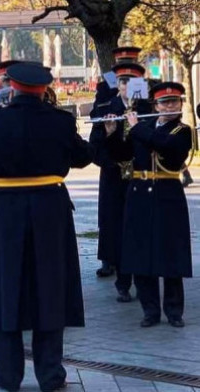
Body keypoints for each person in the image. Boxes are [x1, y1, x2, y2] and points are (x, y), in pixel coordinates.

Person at [0, 62, 93, 391]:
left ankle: (7, 375)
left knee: (4, 289)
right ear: (44, 89)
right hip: (50, 208)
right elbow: (84, 157)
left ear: (10, 87)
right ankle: (50, 375)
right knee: (50, 289)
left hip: (3, 209)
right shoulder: (61, 121)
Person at [105, 82, 193, 328]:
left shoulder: (182, 131)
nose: (169, 106)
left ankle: (174, 311)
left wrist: (136, 127)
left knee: (170, 253)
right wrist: (112, 133)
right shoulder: (143, 127)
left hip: (168, 195)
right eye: (164, 102)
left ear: (180, 105)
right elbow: (122, 155)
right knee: (142, 253)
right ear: (155, 105)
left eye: (174, 102)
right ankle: (150, 311)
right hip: (139, 195)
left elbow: (166, 146)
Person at [89, 59, 152, 301]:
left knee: (141, 228)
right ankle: (122, 282)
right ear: (118, 85)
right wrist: (108, 135)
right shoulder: (106, 108)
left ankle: (144, 282)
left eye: (132, 81)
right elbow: (94, 149)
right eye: (123, 81)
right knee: (117, 228)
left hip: (141, 176)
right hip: (115, 178)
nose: (127, 86)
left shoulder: (148, 108)